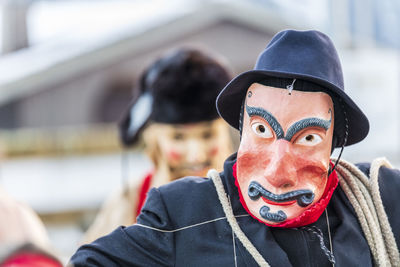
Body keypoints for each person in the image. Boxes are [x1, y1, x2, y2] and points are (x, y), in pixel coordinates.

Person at [70, 30, 400, 266]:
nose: (277, 171)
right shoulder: (180, 211)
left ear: (334, 142)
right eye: (261, 129)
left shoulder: (380, 198)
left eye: (308, 137)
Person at [82, 48, 233, 243]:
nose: (196, 155)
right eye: (178, 137)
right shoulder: (130, 200)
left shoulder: (249, 197)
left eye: (208, 135)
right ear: (155, 139)